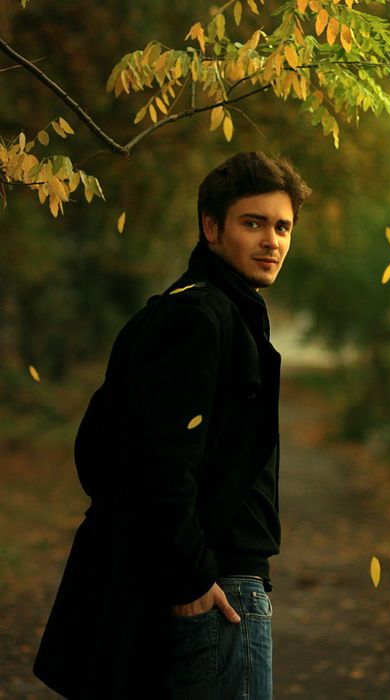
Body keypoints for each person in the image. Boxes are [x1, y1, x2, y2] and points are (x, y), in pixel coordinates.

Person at [33, 151, 311, 699]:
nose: (271, 241)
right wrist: (188, 574)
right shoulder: (196, 318)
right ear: (212, 227)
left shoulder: (219, 314)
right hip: (217, 587)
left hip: (223, 580)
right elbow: (148, 459)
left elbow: (107, 448)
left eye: (282, 227)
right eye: (252, 223)